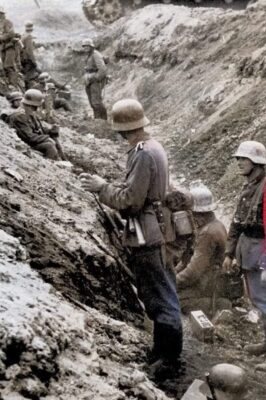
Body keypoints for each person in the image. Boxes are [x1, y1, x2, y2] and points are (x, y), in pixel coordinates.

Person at [79, 99, 182, 373]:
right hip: (158, 229)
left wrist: (102, 188)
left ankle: (168, 359)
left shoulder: (142, 154)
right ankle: (163, 352)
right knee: (162, 292)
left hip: (148, 234)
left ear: (122, 129)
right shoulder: (153, 147)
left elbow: (131, 201)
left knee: (160, 296)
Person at [222, 141, 266, 374]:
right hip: (249, 249)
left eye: (244, 159)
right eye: (238, 159)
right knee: (258, 300)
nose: (239, 162)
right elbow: (237, 221)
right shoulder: (250, 185)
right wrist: (229, 252)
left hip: (263, 252)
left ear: (257, 162)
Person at [176, 182, 230, 317]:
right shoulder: (212, 225)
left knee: (174, 300)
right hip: (208, 279)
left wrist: (172, 283)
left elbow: (193, 272)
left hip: (209, 284)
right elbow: (186, 261)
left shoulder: (207, 233)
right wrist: (172, 276)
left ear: (195, 213)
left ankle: (219, 304)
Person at [9, 89, 65, 160]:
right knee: (49, 145)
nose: (37, 108)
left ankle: (64, 160)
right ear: (33, 105)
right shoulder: (20, 116)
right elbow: (29, 137)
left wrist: (51, 131)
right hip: (28, 144)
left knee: (53, 138)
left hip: (34, 140)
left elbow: (38, 128)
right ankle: (53, 164)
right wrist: (46, 138)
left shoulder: (29, 112)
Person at [0, 5, 21, 89]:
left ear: (1, 13)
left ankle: (13, 85)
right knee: (4, 66)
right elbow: (1, 35)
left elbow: (11, 34)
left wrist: (0, 37)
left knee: (9, 65)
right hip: (3, 47)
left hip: (10, 47)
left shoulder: (7, 22)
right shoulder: (0, 23)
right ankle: (8, 83)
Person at [82, 38, 107, 120]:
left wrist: (96, 78)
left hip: (94, 80)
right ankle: (97, 118)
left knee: (96, 102)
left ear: (91, 46)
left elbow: (102, 69)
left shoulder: (96, 55)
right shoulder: (89, 55)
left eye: (87, 46)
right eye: (84, 46)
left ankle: (103, 120)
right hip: (89, 80)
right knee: (92, 102)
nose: (85, 48)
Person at [21, 21, 39, 90]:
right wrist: (34, 61)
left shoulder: (23, 35)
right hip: (27, 58)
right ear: (31, 29)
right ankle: (27, 90)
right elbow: (29, 51)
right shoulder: (29, 37)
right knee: (28, 76)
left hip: (22, 58)